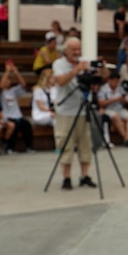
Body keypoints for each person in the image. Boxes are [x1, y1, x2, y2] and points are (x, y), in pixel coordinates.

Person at [51, 37, 97, 189]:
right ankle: (66, 177)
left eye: (79, 49)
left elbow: (95, 80)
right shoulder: (58, 64)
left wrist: (100, 70)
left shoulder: (85, 61)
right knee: (65, 143)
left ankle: (85, 175)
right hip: (66, 111)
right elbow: (61, 81)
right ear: (66, 51)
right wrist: (76, 70)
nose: (77, 53)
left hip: (83, 109)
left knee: (85, 143)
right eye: (74, 50)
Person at [0, 62, 34, 153]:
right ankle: (10, 148)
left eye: (8, 80)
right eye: (5, 80)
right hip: (8, 117)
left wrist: (16, 72)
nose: (7, 82)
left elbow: (23, 84)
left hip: (18, 116)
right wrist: (7, 72)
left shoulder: (13, 91)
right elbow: (1, 85)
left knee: (27, 125)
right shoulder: (0, 93)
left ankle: (29, 147)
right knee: (15, 126)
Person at [97, 72, 128, 148]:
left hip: (119, 108)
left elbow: (124, 101)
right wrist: (113, 100)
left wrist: (123, 100)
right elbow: (101, 103)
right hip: (108, 109)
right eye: (114, 81)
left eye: (117, 81)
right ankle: (126, 138)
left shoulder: (120, 88)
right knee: (116, 117)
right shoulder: (103, 89)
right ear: (110, 80)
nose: (116, 83)